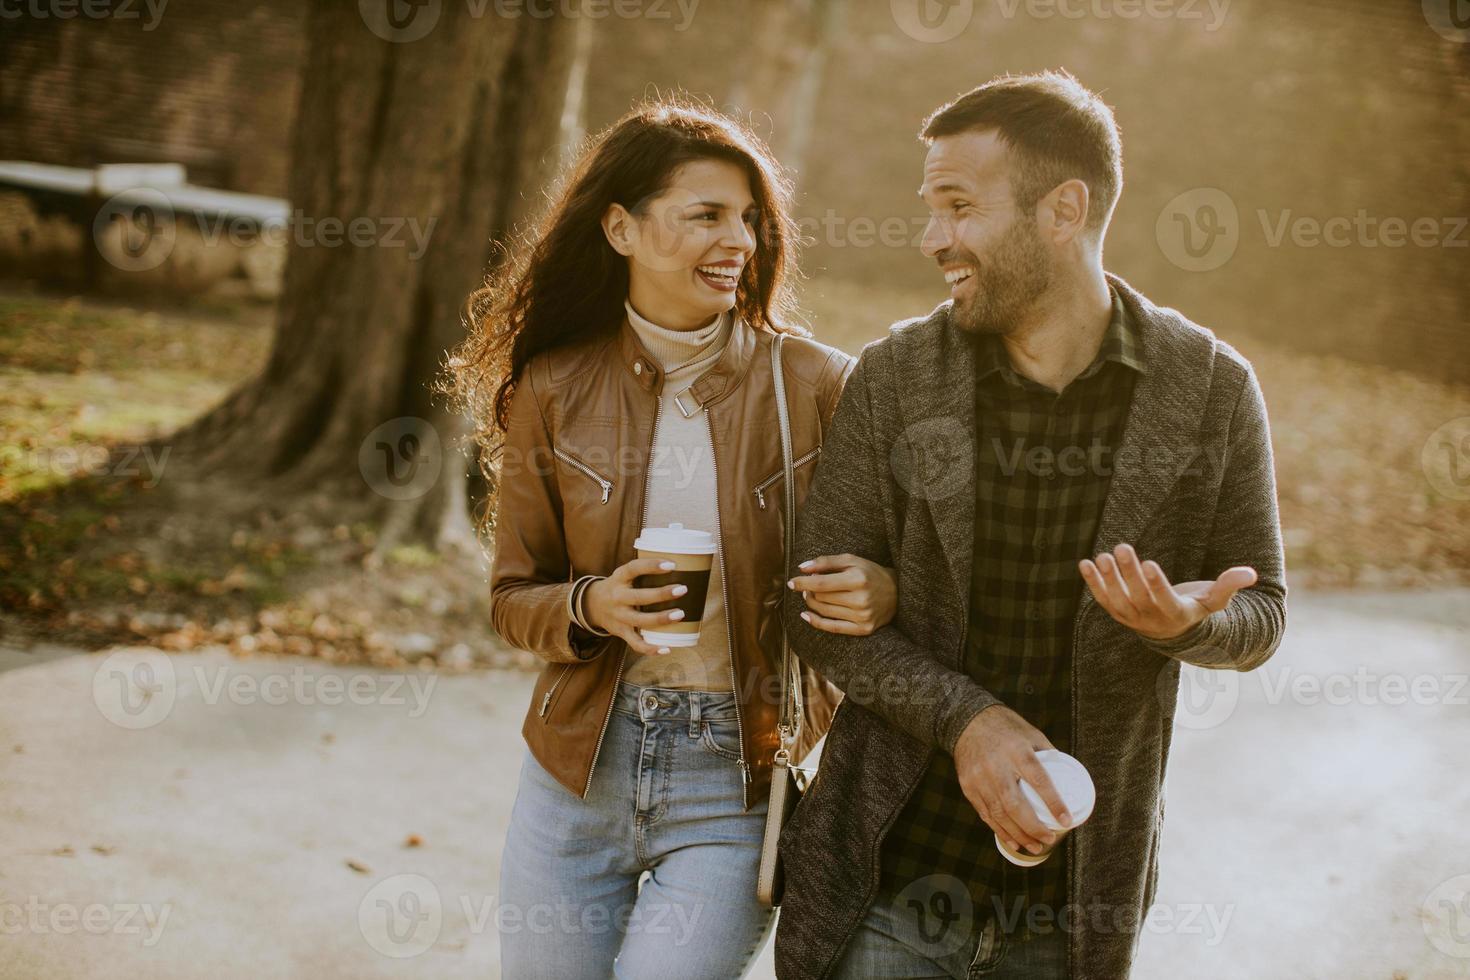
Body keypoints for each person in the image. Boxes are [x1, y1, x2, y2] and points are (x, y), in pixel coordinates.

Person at [774, 70, 1287, 979]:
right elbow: (812, 612)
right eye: (931, 209)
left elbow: (1262, 614)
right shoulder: (896, 375)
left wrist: (1194, 624)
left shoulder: (1211, 388)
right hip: (886, 887)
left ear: (1064, 210)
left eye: (960, 207)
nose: (935, 240)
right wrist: (969, 722)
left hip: (1071, 909)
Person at [445, 98, 898, 979]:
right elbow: (510, 599)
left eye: (750, 219)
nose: (741, 241)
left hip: (735, 778)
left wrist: (884, 588)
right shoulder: (556, 387)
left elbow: (897, 558)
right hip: (575, 773)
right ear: (621, 227)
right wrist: (591, 604)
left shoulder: (814, 385)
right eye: (707, 216)